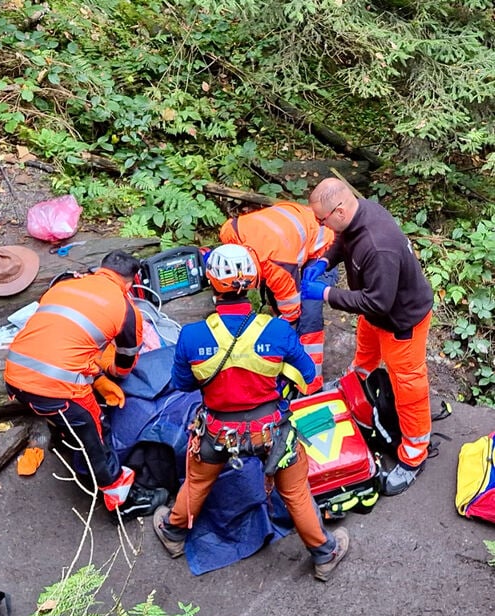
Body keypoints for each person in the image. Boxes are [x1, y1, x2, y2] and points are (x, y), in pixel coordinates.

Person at [153, 244, 349, 582]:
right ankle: (324, 554)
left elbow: (182, 384)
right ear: (255, 281)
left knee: (198, 482)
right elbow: (307, 376)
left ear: (210, 282)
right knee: (296, 493)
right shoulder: (277, 331)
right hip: (271, 431)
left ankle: (173, 535)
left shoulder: (191, 336)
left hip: (217, 432)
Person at [4, 250, 164, 517]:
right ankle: (122, 500)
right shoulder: (126, 310)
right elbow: (125, 364)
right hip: (56, 388)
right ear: (130, 283)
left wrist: (96, 378)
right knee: (97, 433)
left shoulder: (64, 286)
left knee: (63, 412)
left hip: (15, 375)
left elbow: (62, 340)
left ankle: (62, 439)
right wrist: (110, 373)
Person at [301, 177, 434, 496]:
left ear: (340, 209)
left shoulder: (378, 244)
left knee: (408, 386)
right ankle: (356, 383)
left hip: (402, 321)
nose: (322, 226)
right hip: (376, 316)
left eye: (323, 220)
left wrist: (328, 293)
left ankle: (414, 454)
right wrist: (323, 261)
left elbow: (378, 301)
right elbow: (342, 241)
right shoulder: (359, 214)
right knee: (365, 352)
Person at [218, 201, 336, 393]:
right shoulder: (229, 232)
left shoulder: (277, 267)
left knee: (308, 316)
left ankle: (310, 385)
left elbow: (292, 312)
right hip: (297, 223)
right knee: (280, 301)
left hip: (323, 249)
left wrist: (276, 331)